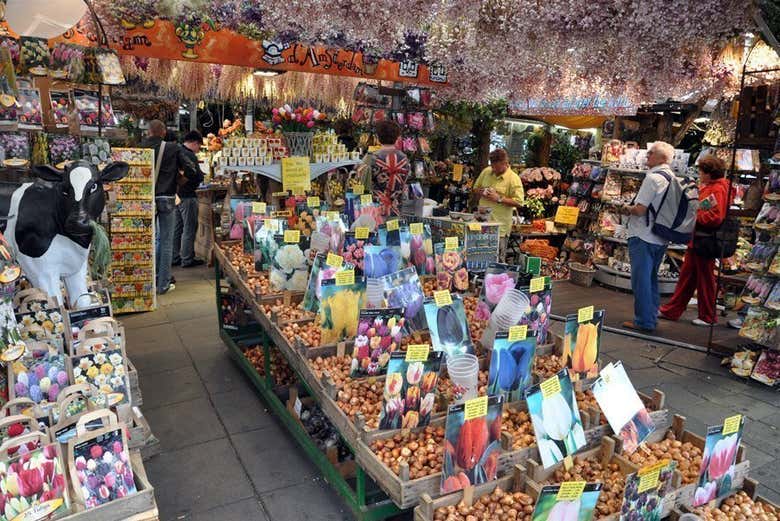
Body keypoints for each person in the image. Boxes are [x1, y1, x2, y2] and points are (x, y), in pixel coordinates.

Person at [659, 156, 730, 326]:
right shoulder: (715, 187)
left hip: (703, 239)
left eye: (701, 171)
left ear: (709, 173)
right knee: (688, 276)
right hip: (699, 239)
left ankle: (708, 316)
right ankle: (673, 310)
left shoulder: (717, 189)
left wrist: (693, 216)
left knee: (703, 278)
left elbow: (714, 216)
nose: (699, 175)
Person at [620, 141, 676, 332]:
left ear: (662, 158)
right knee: (651, 279)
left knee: (641, 280)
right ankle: (651, 316)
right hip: (660, 236)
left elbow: (640, 209)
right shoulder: (672, 177)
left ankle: (643, 321)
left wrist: (625, 208)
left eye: (651, 153)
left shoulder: (652, 178)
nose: (647, 155)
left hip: (643, 235)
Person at [142, 120, 199, 295]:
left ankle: (149, 280)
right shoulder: (173, 148)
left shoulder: (140, 148)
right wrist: (179, 179)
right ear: (164, 132)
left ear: (149, 132)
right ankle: (163, 283)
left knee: (152, 240)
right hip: (167, 197)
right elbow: (192, 170)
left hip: (145, 198)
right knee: (166, 240)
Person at [471, 149, 524, 261]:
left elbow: (519, 202)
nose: (494, 170)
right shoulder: (486, 171)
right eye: (492, 167)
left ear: (505, 163)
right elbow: (475, 188)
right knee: (477, 257)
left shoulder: (514, 179)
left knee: (496, 260)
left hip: (500, 229)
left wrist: (499, 198)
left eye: (497, 167)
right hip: (481, 223)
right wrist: (483, 192)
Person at [358, 120, 410, 217]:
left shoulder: (371, 158)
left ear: (378, 137)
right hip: (396, 208)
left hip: (375, 209)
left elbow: (360, 179)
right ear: (397, 137)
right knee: (393, 231)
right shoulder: (404, 159)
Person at [173, 130, 206, 268]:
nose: (198, 150)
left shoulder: (177, 151)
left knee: (177, 227)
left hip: (177, 195)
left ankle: (174, 257)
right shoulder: (188, 155)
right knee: (189, 227)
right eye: (199, 146)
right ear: (194, 142)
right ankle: (187, 259)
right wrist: (200, 177)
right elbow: (194, 174)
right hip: (188, 196)